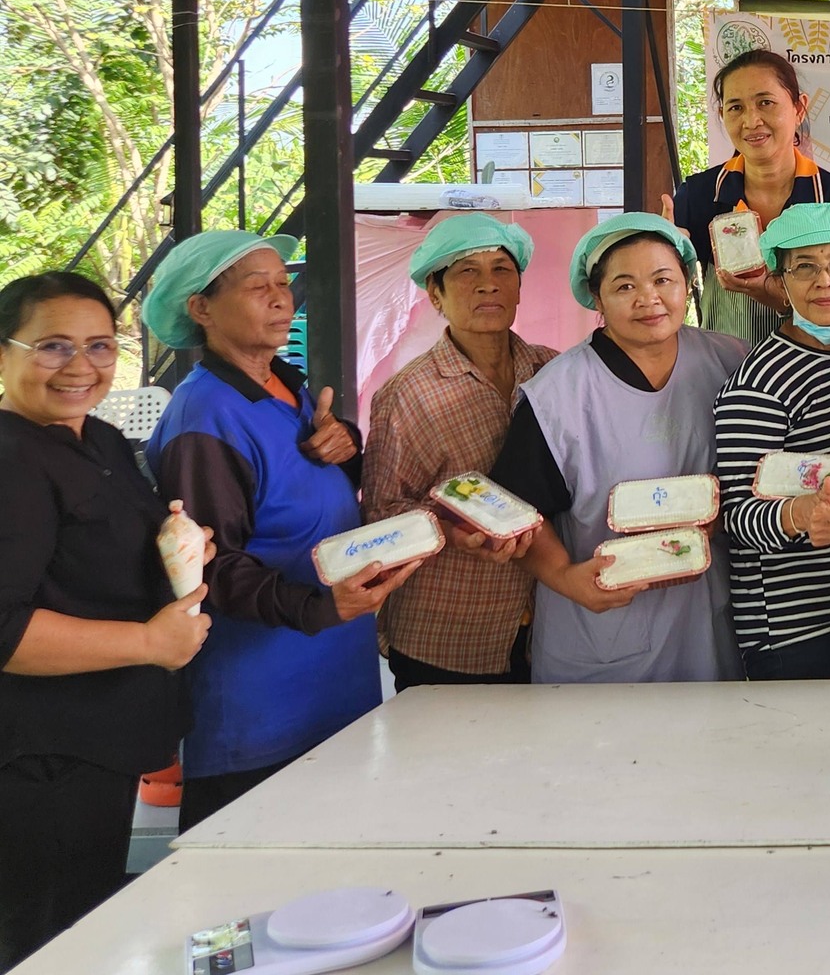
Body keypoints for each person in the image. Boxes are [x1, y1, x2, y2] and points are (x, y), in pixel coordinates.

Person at [144, 232, 413, 829]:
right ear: (201, 308)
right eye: (255, 286)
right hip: (260, 707)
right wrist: (319, 605)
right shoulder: (205, 416)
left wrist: (345, 445)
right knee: (247, 890)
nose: (279, 299)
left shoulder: (285, 385)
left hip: (331, 684)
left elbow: (302, 485)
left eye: (283, 284)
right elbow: (210, 568)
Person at [0, 272, 211, 967]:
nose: (81, 367)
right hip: (42, 757)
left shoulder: (99, 440)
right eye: (53, 347)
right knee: (47, 941)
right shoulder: (14, 459)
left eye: (99, 345)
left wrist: (178, 547)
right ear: (3, 354)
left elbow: (93, 551)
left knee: (88, 923)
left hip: (99, 747)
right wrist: (151, 641)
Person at [493, 213, 745, 683]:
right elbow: (520, 512)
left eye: (663, 279)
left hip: (705, 617)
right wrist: (567, 577)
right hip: (603, 621)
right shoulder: (558, 395)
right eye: (625, 286)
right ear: (597, 298)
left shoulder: (731, 361)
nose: (648, 299)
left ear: (688, 284)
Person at [361, 215, 556, 690]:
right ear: (435, 294)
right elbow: (381, 515)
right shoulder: (407, 395)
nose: (488, 285)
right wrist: (449, 528)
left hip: (544, 625)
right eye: (467, 271)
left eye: (501, 270)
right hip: (447, 630)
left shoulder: (552, 371)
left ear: (518, 288)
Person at [714, 203, 830, 680]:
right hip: (791, 632)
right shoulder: (759, 383)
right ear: (781, 279)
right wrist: (801, 514)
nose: (825, 281)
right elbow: (735, 517)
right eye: (805, 267)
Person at [676, 49, 830, 346]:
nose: (751, 121)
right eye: (736, 107)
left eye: (766, 102)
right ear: (722, 115)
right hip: (724, 373)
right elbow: (669, 294)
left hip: (813, 369)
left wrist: (767, 291)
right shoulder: (699, 195)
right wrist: (664, 252)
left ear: (799, 108)